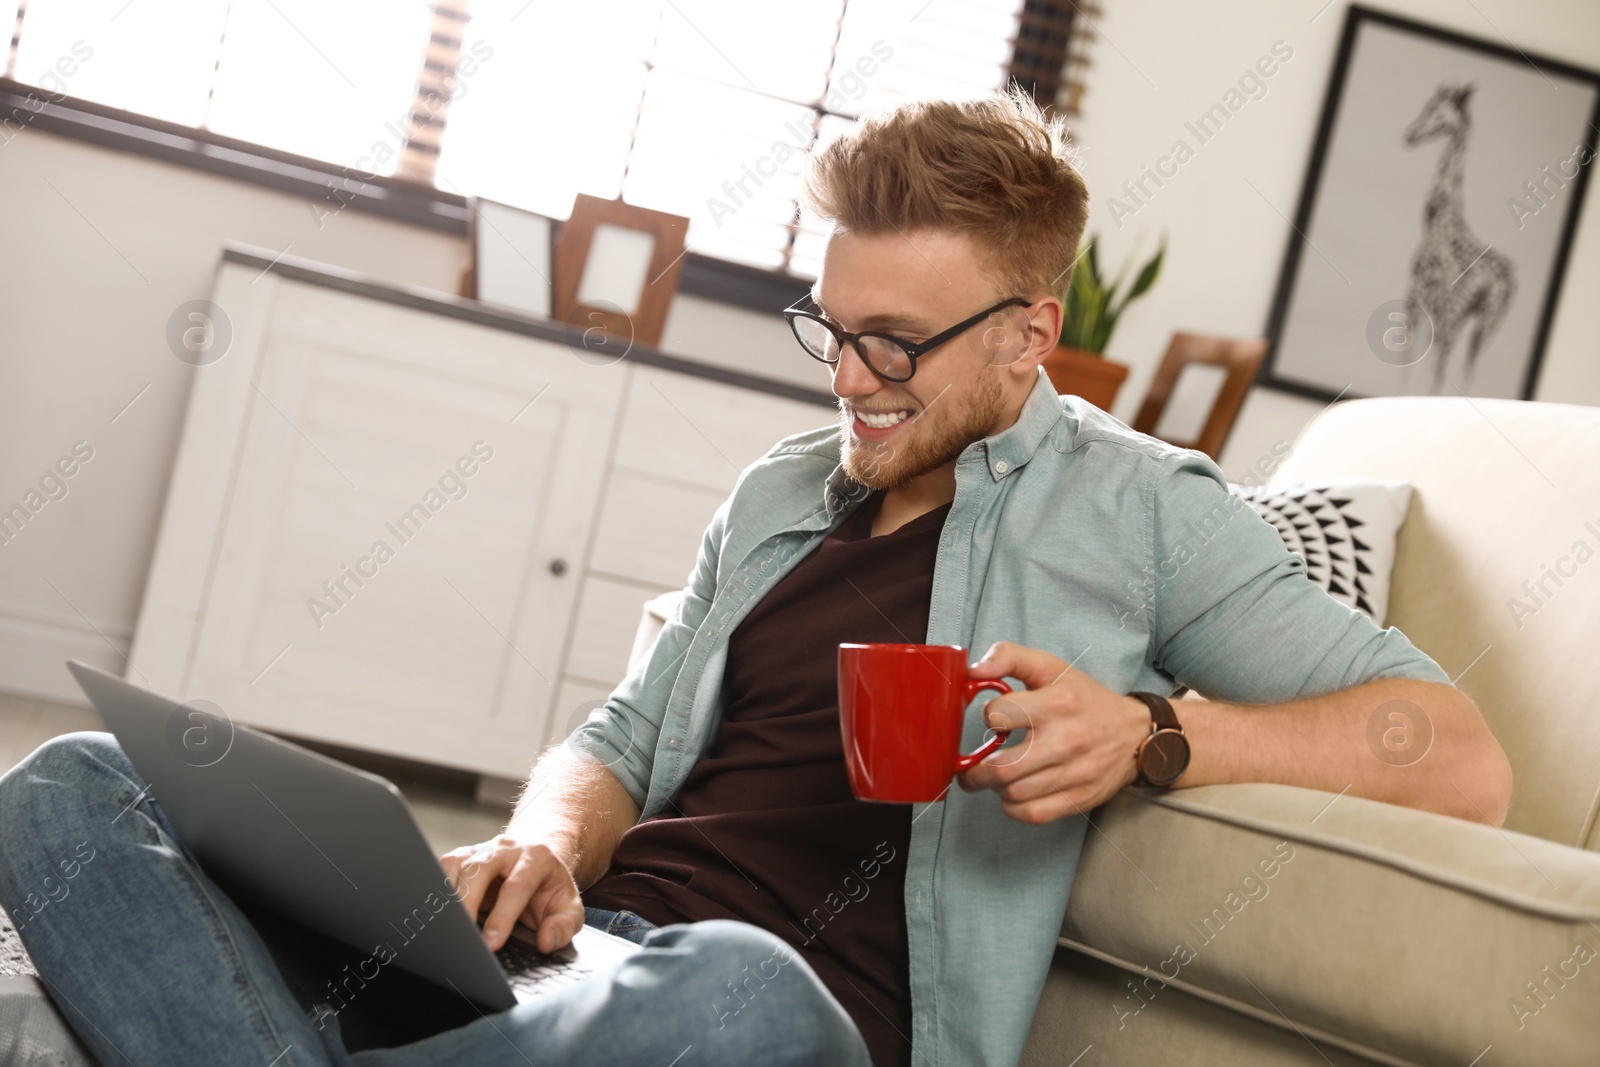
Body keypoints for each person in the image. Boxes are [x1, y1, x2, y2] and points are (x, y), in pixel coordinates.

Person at [0, 89, 1512, 1067]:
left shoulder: (1141, 510)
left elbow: (1457, 756)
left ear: (1029, 334)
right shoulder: (782, 492)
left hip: (767, 1022)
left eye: (896, 345)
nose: (849, 380)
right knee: (70, 787)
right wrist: (542, 845)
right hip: (566, 977)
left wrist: (1161, 734)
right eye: (832, 326)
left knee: (740, 985)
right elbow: (619, 738)